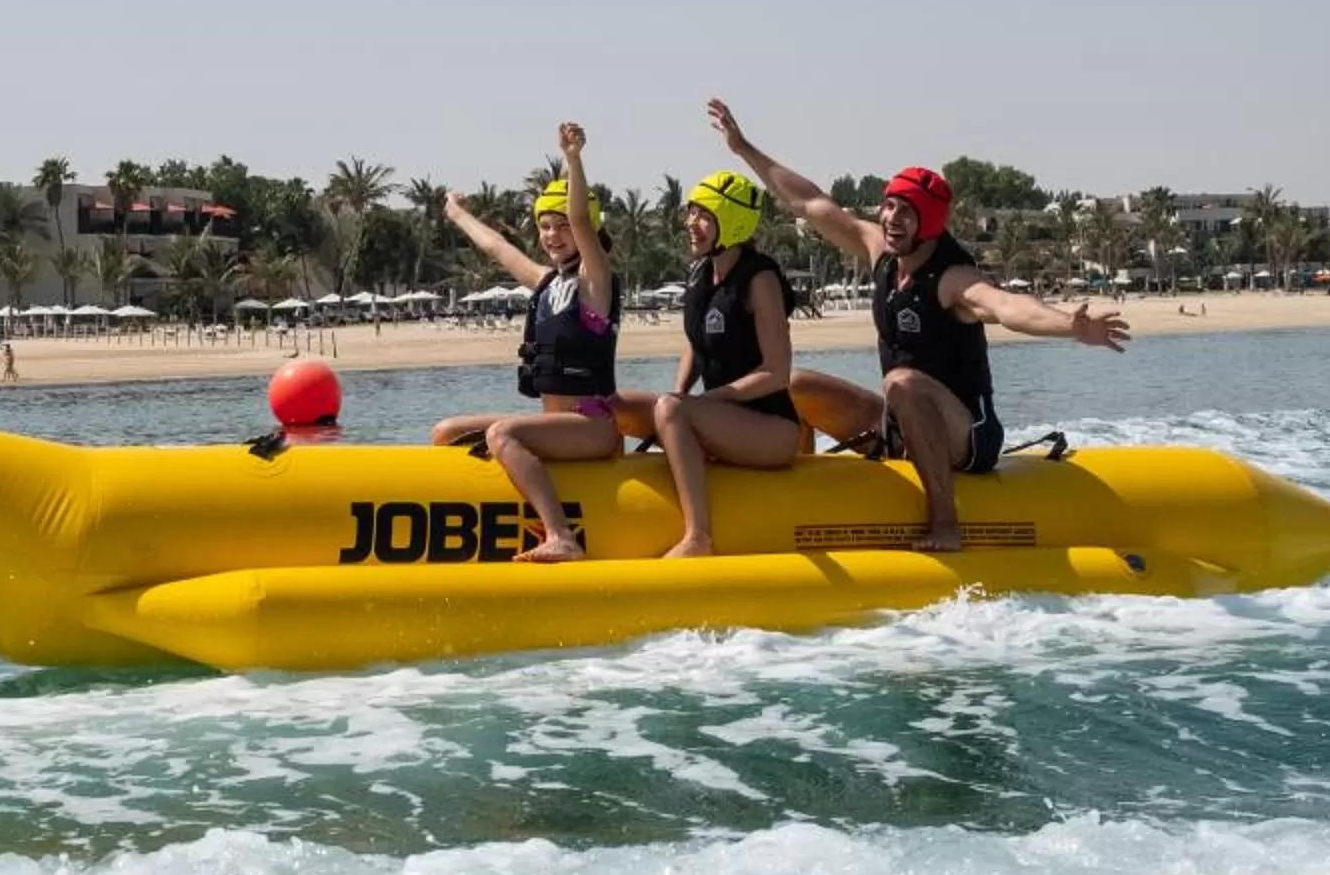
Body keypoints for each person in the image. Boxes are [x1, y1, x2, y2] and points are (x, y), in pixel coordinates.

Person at [708, 97, 1130, 551]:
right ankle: (791, 507)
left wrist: (1070, 326)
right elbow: (809, 202)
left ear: (928, 221)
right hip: (900, 423)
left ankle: (946, 523)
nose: (891, 218)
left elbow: (1006, 306)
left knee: (903, 382)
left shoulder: (952, 277)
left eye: (905, 212)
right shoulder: (881, 252)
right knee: (795, 385)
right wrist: (743, 148)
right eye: (889, 206)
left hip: (967, 436)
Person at [429, 123, 642, 562]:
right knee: (446, 431)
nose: (552, 235)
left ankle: (561, 535)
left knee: (502, 433)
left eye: (561, 226)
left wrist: (573, 159)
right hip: (555, 424)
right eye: (545, 226)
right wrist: (455, 213)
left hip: (592, 428)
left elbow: (582, 220)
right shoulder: (547, 283)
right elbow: (496, 247)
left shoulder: (595, 280)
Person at [647, 165, 804, 557]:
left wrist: (700, 404)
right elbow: (696, 344)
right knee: (636, 406)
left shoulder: (759, 280)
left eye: (703, 215)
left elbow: (776, 373)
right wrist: (679, 394)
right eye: (691, 212)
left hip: (771, 428)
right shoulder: (701, 273)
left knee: (670, 410)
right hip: (721, 417)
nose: (690, 223)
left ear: (732, 220)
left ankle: (698, 536)